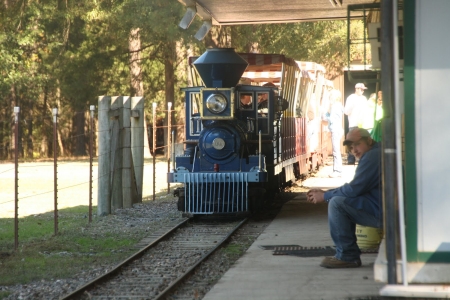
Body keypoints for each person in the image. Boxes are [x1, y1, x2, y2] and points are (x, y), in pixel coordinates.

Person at [306, 127, 382, 268]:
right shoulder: (377, 153)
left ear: (369, 141)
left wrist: (325, 196)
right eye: (351, 147)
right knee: (339, 200)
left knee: (337, 204)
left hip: (386, 212)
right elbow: (356, 188)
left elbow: (354, 189)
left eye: (357, 144)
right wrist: (326, 192)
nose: (354, 150)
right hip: (387, 207)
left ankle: (347, 256)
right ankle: (348, 255)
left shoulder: (372, 157)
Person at [344, 83, 368, 164]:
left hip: (363, 124)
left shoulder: (364, 98)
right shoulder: (351, 98)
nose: (362, 91)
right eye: (361, 89)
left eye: (363, 90)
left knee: (362, 142)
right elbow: (346, 112)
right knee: (352, 142)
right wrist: (352, 106)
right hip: (353, 124)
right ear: (356, 89)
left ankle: (362, 159)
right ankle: (351, 159)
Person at [325, 90, 344, 178]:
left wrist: (326, 115)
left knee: (336, 151)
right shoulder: (339, 105)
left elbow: (331, 119)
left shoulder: (334, 106)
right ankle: (338, 170)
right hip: (339, 129)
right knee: (337, 150)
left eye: (330, 97)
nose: (329, 98)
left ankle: (337, 170)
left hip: (335, 129)